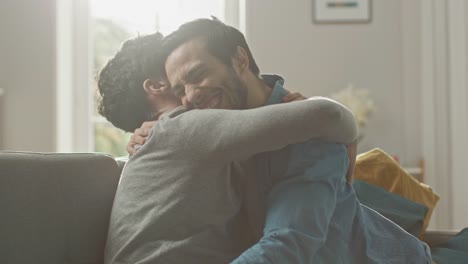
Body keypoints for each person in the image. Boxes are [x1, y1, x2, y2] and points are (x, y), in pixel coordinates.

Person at [125, 18, 432, 263]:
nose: (191, 95)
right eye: (181, 90)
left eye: (199, 74)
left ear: (240, 59)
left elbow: (289, 243)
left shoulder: (306, 130)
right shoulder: (211, 128)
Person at [98, 32, 358, 263]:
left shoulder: (164, 139)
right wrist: (345, 136)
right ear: (157, 85)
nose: (190, 92)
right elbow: (327, 115)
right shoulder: (183, 128)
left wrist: (289, 112)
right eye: (178, 76)